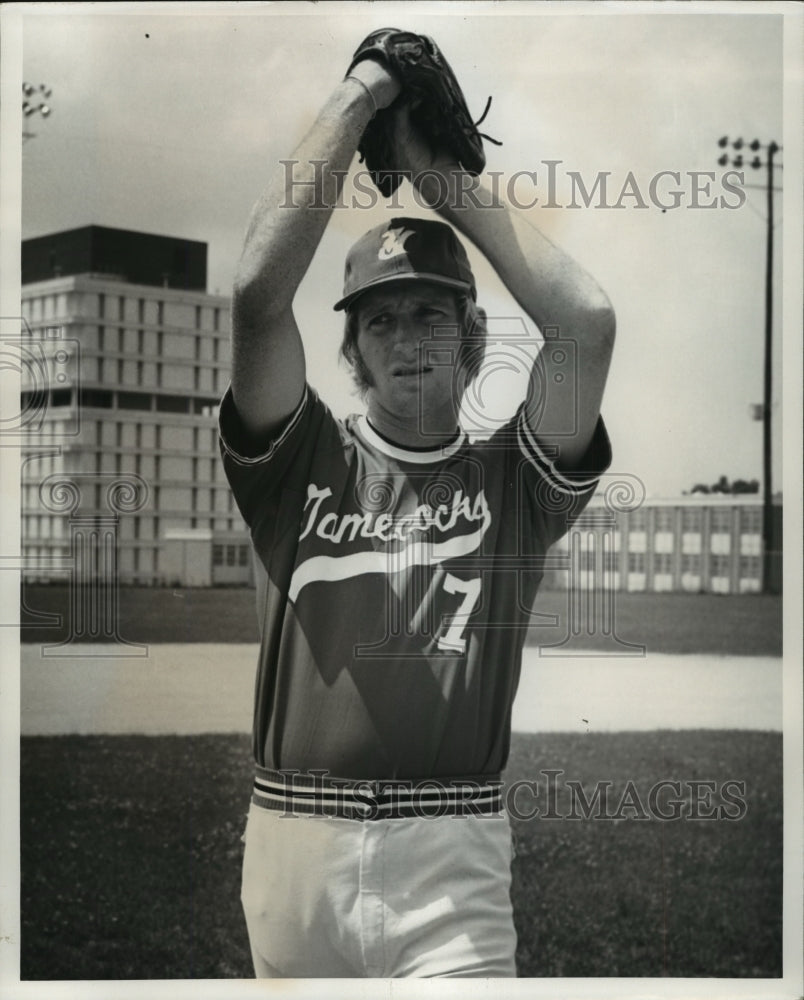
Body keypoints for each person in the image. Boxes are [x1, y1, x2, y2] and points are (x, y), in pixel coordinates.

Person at [219, 32, 615, 979]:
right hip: (293, 848)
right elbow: (257, 298)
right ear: (352, 352)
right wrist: (363, 95)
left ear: (471, 336)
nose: (408, 338)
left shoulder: (512, 484)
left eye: (431, 312)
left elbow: (587, 323)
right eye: (381, 318)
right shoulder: (298, 460)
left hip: (452, 860)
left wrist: (442, 180)